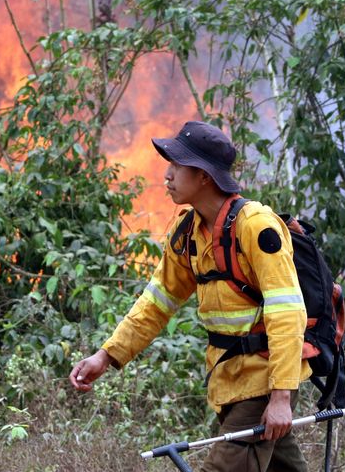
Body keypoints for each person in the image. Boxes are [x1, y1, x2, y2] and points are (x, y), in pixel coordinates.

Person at [68, 121, 310, 472]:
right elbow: (156, 304)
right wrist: (105, 357)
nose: (167, 175)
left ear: (205, 177)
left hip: (262, 381)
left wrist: (281, 397)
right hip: (228, 379)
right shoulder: (187, 234)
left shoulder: (256, 225)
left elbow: (287, 312)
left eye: (177, 166)